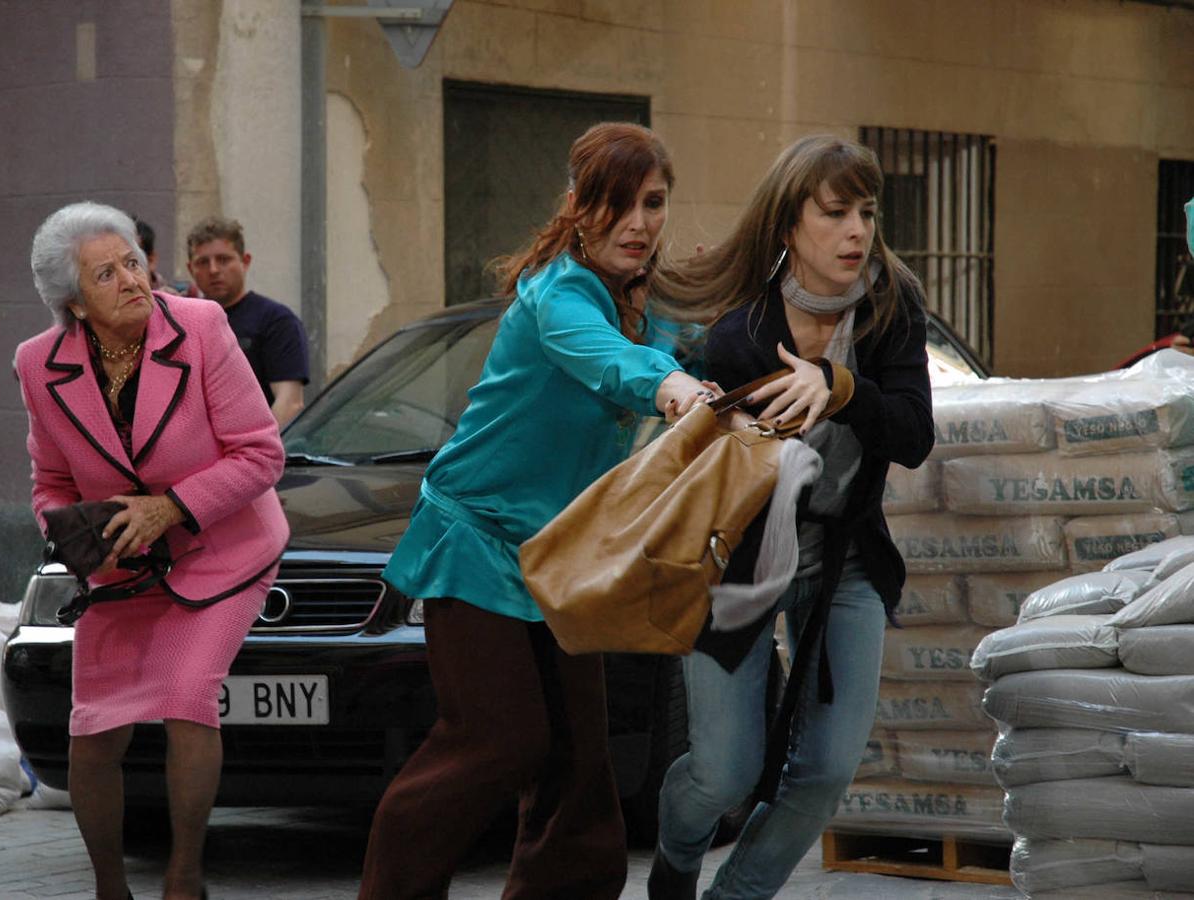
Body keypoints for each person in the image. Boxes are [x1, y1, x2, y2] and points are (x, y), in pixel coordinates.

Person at [356, 122, 719, 900]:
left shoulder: (642, 298)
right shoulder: (560, 293)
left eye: (653, 203)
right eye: (616, 204)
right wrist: (671, 388)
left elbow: (701, 339)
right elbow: (610, 358)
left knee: (581, 764)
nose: (639, 223)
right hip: (475, 539)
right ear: (578, 206)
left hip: (557, 555)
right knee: (499, 739)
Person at [647, 135, 935, 900]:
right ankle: (674, 858)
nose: (857, 232)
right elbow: (707, 468)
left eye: (867, 213)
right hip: (738, 562)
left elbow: (912, 435)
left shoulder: (890, 310)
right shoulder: (740, 335)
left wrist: (840, 386)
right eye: (836, 213)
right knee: (724, 773)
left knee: (827, 769)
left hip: (845, 564)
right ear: (788, 228)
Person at [14, 201, 289, 900]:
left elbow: (261, 454)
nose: (132, 280)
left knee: (188, 695)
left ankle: (184, 877)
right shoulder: (39, 364)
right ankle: (111, 886)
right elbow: (50, 480)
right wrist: (72, 533)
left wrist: (171, 506)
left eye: (134, 261)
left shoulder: (201, 327)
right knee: (93, 730)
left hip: (223, 548)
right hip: (122, 568)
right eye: (106, 274)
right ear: (73, 302)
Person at [186, 216, 309, 427]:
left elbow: (290, 403)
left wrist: (257, 451)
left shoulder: (276, 321)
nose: (213, 270)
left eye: (224, 260)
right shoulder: (184, 322)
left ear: (245, 261)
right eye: (203, 262)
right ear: (191, 269)